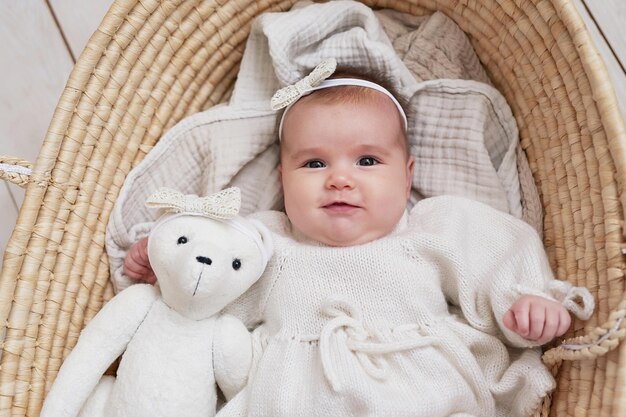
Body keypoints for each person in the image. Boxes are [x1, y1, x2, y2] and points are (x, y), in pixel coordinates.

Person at [122, 61, 593, 417]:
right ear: (283, 179)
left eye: (367, 161)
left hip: (423, 393)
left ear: (407, 178)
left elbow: (495, 256)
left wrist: (530, 301)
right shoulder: (266, 242)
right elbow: (207, 281)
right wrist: (164, 263)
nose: (340, 180)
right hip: (296, 399)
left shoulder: (429, 227)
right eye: (314, 163)